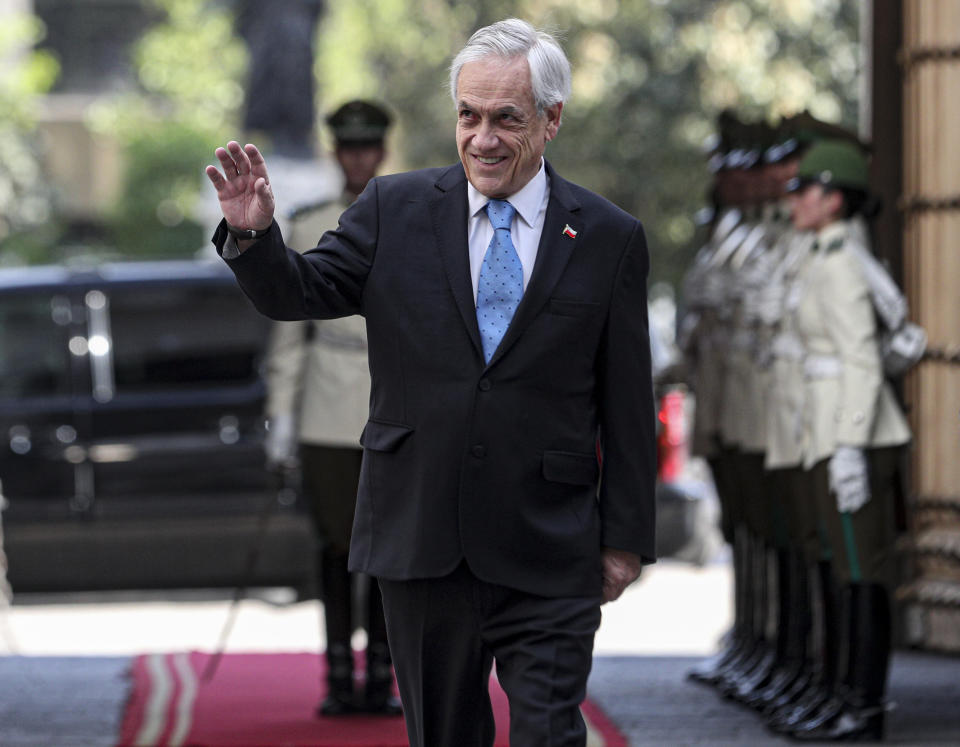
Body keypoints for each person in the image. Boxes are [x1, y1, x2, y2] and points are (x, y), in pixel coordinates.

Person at [205, 18, 656, 747]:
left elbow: (629, 403)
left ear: (552, 119)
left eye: (507, 118)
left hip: (550, 541)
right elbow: (303, 292)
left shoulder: (607, 237)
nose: (483, 138)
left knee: (550, 735)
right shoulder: (394, 210)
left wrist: (627, 535)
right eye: (468, 116)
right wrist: (256, 239)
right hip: (422, 537)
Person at [262, 100, 399, 716]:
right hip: (326, 406)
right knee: (337, 548)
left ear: (383, 151)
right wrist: (282, 419)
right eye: (349, 148)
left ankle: (384, 679)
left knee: (395, 551)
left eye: (368, 147)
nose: (359, 158)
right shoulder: (309, 221)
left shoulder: (415, 215)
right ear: (335, 152)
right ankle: (339, 675)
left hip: (398, 404)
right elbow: (288, 335)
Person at [778, 139, 911, 741]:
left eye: (807, 189)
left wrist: (852, 442)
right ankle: (843, 693)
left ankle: (865, 703)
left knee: (862, 571)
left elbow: (860, 360)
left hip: (852, 431)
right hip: (827, 431)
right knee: (839, 566)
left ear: (834, 200)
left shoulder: (841, 264)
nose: (796, 199)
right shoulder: (821, 258)